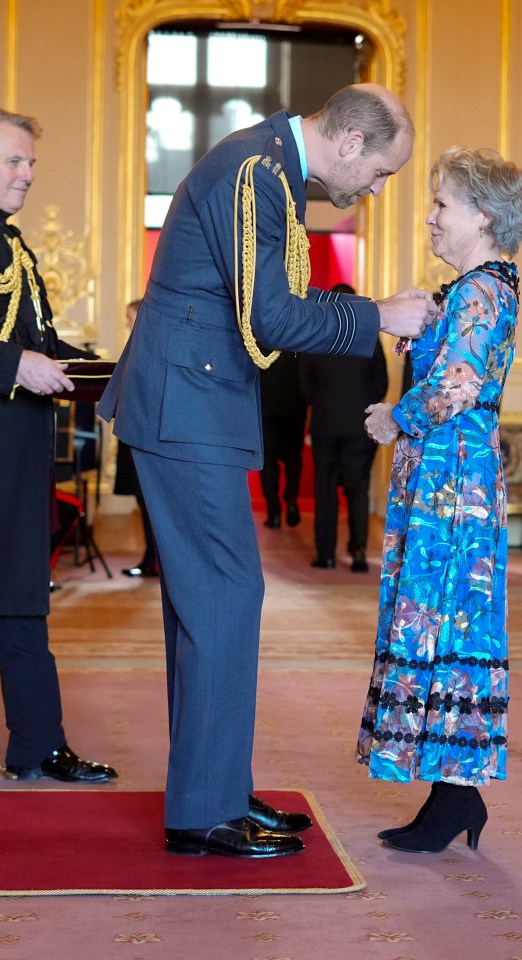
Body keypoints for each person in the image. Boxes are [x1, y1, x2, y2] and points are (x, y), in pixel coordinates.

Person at [98, 82, 436, 860]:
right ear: (350, 144)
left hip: (193, 401)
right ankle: (203, 811)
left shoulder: (269, 166)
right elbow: (272, 316)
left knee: (208, 603)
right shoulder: (258, 171)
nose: (377, 189)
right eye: (383, 173)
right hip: (185, 406)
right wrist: (379, 314)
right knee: (225, 595)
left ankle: (211, 790)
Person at [357, 145, 522, 853]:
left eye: (442, 205)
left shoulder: (481, 289)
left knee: (450, 620)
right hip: (448, 479)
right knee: (445, 622)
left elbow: (459, 385)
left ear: (483, 216)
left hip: (452, 486)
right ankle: (454, 795)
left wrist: (392, 417)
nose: (429, 218)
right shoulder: (474, 290)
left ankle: (455, 797)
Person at [0, 108, 118, 783]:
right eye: (15, 161)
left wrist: (112, 370)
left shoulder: (17, 248)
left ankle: (38, 745)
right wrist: (12, 366)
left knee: (21, 602)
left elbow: (44, 346)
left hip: (17, 462)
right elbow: (20, 357)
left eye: (32, 163)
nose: (28, 175)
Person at [299, 283, 388, 572]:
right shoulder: (369, 337)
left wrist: (321, 403)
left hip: (325, 424)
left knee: (325, 492)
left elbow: (304, 384)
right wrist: (366, 407)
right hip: (359, 426)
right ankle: (359, 551)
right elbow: (381, 382)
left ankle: (325, 555)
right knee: (357, 490)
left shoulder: (318, 335)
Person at [114, 299, 159, 577]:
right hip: (137, 435)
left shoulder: (147, 350)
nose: (126, 324)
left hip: (144, 438)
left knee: (149, 505)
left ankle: (153, 561)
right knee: (144, 504)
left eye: (130, 318)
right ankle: (150, 559)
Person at [258, 350, 307, 529]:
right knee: (293, 459)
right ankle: (291, 498)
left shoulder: (263, 333)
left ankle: (274, 512)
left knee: (268, 463)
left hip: (267, 407)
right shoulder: (299, 334)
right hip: (294, 406)